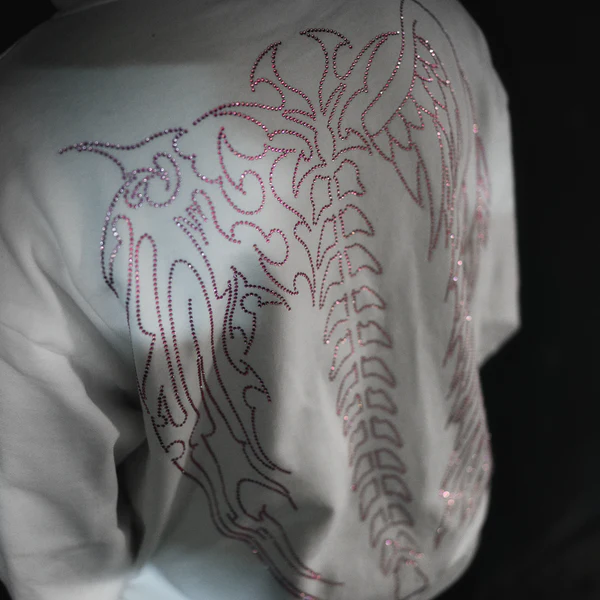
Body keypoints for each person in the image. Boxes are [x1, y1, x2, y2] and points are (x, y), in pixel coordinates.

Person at [0, 0, 519, 598]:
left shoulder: (22, 137)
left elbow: (57, 560)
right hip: (448, 542)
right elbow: (484, 314)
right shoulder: (434, 18)